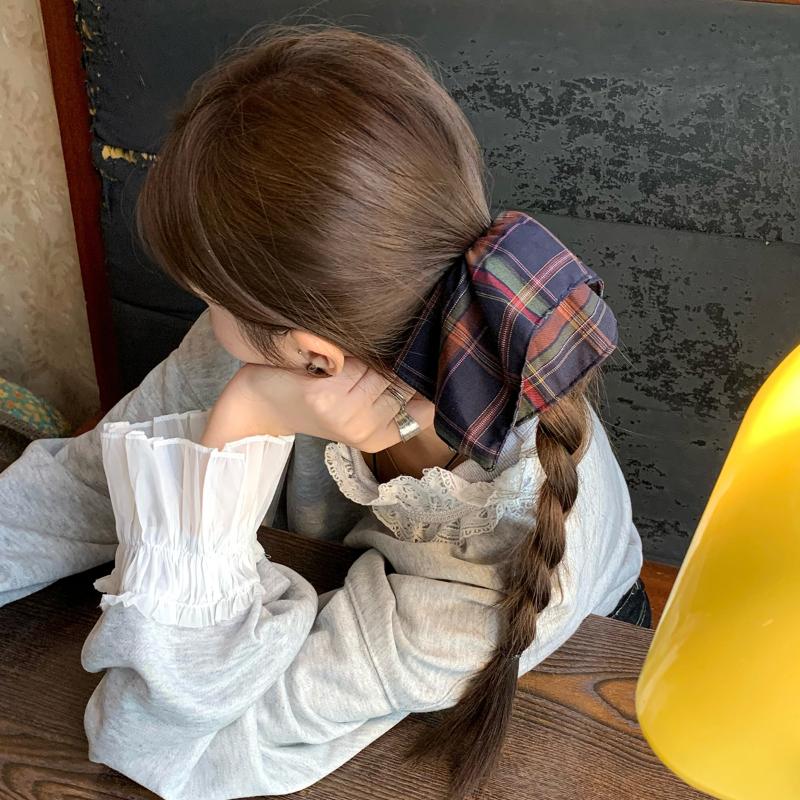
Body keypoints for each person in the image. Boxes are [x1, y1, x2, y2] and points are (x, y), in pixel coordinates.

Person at [0, 22, 650, 800]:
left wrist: (242, 419)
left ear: (314, 357)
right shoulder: (287, 330)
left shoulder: (490, 576)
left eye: (210, 299)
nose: (208, 320)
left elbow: (157, 740)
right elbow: (86, 485)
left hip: (571, 672)